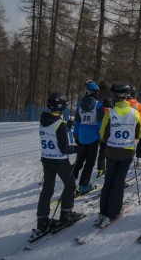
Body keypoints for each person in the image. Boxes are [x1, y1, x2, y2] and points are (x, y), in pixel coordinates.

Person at [32, 92, 83, 239]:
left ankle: (42, 222)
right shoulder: (59, 124)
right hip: (60, 161)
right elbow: (65, 149)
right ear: (61, 107)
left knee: (47, 190)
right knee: (70, 185)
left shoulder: (43, 120)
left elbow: (52, 133)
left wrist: (66, 127)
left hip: (47, 160)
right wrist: (78, 148)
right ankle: (66, 215)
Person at [97, 84, 141, 227]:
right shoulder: (135, 113)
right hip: (126, 151)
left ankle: (103, 210)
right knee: (119, 180)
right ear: (127, 96)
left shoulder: (110, 113)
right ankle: (113, 211)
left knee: (109, 179)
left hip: (112, 151)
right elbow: (138, 134)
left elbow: (103, 135)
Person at [73, 80, 105, 195]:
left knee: (80, 159)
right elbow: (101, 122)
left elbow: (77, 121)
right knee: (90, 162)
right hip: (93, 136)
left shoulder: (80, 104)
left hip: (81, 135)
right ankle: (83, 185)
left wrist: (75, 134)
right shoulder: (99, 105)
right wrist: (102, 135)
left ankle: (70, 182)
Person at [96, 97, 113, 177]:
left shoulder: (100, 110)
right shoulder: (113, 111)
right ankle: (110, 169)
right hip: (110, 136)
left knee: (102, 153)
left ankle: (100, 170)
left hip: (102, 135)